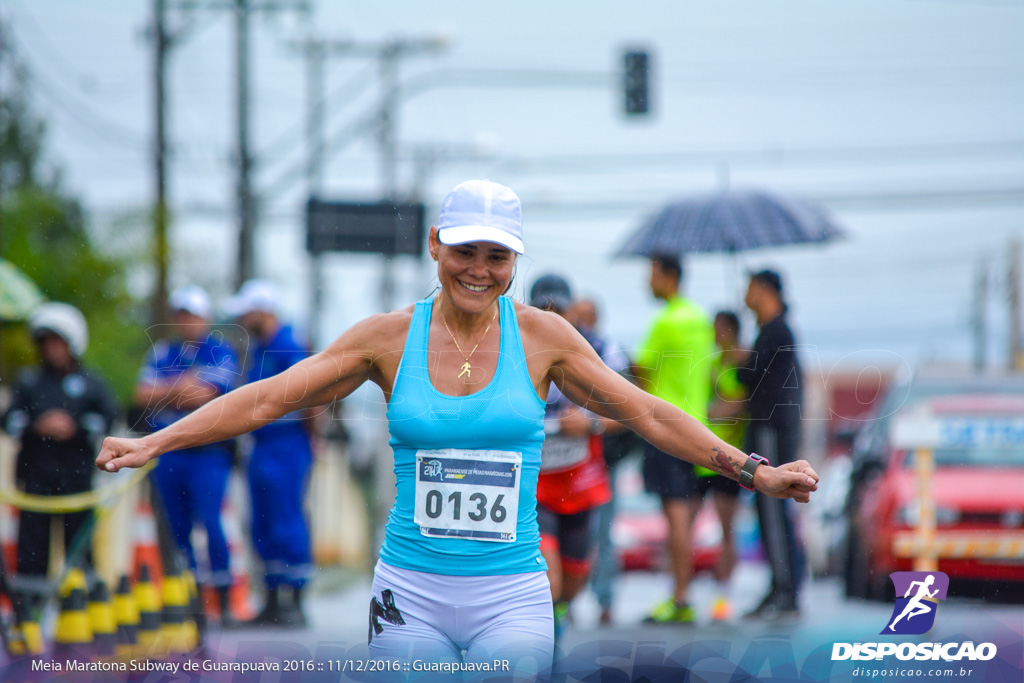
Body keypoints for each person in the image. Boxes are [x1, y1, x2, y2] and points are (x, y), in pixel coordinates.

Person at [97, 180, 819, 673]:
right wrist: (155, 441)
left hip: (511, 594)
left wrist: (754, 469)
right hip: (407, 591)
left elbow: (650, 412)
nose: (479, 269)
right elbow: (266, 398)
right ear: (436, 244)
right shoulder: (385, 338)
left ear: (515, 261)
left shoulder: (547, 338)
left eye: (497, 255)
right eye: (465, 250)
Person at [133, 285, 240, 626]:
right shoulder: (163, 351)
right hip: (169, 453)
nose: (187, 322)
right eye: (181, 315)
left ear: (205, 319)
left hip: (208, 453)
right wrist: (182, 386)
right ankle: (188, 599)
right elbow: (141, 395)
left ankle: (222, 601)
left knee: (210, 522)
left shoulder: (220, 351)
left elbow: (209, 395)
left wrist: (169, 391)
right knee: (175, 527)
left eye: (193, 315)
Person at [3, 303, 117, 607]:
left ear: (73, 343)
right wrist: (38, 426)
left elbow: (107, 420)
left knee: (80, 549)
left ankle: (84, 609)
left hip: (77, 481)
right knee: (32, 550)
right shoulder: (29, 382)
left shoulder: (92, 381)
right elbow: (10, 421)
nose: (52, 349)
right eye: (47, 343)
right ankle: (28, 612)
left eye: (58, 342)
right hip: (36, 481)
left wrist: (74, 427)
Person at [225, 279, 314, 628]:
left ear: (263, 310)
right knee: (262, 522)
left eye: (248, 312)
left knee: (286, 520)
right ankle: (272, 598)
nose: (244, 319)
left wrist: (311, 439)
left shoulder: (288, 346)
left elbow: (310, 396)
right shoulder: (260, 349)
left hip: (286, 444)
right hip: (262, 446)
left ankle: (296, 600)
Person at [634, 254, 716, 624]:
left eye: (651, 274)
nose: (647, 282)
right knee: (687, 517)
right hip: (698, 430)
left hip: (667, 430)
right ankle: (682, 593)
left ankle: (681, 598)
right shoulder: (700, 319)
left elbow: (640, 371)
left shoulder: (666, 321)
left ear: (669, 277)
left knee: (676, 518)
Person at [529, 276, 613, 640]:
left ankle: (557, 616)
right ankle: (546, 637)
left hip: (580, 484)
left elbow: (632, 411)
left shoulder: (598, 348)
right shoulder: (512, 349)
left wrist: (591, 423)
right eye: (542, 310)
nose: (551, 318)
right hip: (534, 485)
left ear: (571, 312)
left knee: (574, 579)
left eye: (558, 311)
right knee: (549, 575)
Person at [737, 269, 806, 620]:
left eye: (750, 288)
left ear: (765, 290)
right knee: (770, 513)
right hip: (770, 431)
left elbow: (752, 378)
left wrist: (739, 360)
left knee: (774, 509)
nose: (745, 294)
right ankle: (781, 585)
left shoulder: (776, 331)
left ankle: (785, 588)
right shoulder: (772, 331)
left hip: (772, 433)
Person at [568, 297, 637, 626]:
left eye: (587, 318)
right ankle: (566, 599)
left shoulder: (610, 352)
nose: (581, 324)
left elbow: (629, 413)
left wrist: (590, 425)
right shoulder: (558, 349)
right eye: (576, 317)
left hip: (600, 463)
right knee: (570, 533)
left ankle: (605, 600)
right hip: (562, 466)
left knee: (602, 534)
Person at [700, 310, 750, 621]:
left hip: (731, 456)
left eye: (718, 328)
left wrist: (709, 410)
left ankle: (724, 591)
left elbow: (735, 407)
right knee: (693, 522)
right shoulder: (713, 362)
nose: (714, 333)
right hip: (704, 456)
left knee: (726, 527)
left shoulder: (741, 363)